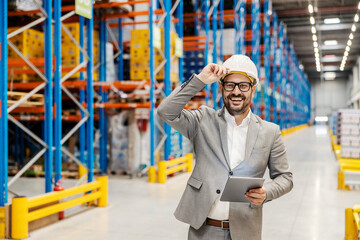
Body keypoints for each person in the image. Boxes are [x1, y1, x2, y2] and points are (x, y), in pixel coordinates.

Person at [157, 54, 293, 240]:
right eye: (230, 85)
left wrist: (266, 193)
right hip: (203, 230)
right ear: (221, 88)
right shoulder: (203, 120)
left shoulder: (270, 132)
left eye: (243, 85)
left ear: (253, 90)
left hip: (245, 230)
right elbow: (165, 111)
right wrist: (200, 80)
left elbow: (285, 178)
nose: (236, 92)